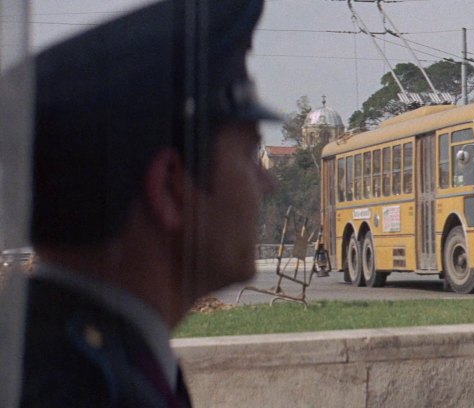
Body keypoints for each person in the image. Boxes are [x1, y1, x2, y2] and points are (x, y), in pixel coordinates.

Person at [5, 0, 276, 406]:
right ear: (170, 187)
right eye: (249, 154)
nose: (267, 184)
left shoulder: (65, 357)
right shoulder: (93, 390)